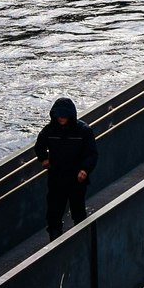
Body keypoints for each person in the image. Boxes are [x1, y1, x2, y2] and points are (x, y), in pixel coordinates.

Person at [34, 97, 98, 241]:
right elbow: (39, 146)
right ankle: (55, 237)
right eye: (58, 115)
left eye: (64, 115)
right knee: (54, 212)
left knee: (78, 210)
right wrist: (43, 159)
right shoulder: (49, 130)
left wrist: (85, 170)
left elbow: (92, 154)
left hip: (77, 178)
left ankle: (80, 238)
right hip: (57, 177)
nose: (61, 118)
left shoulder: (84, 131)